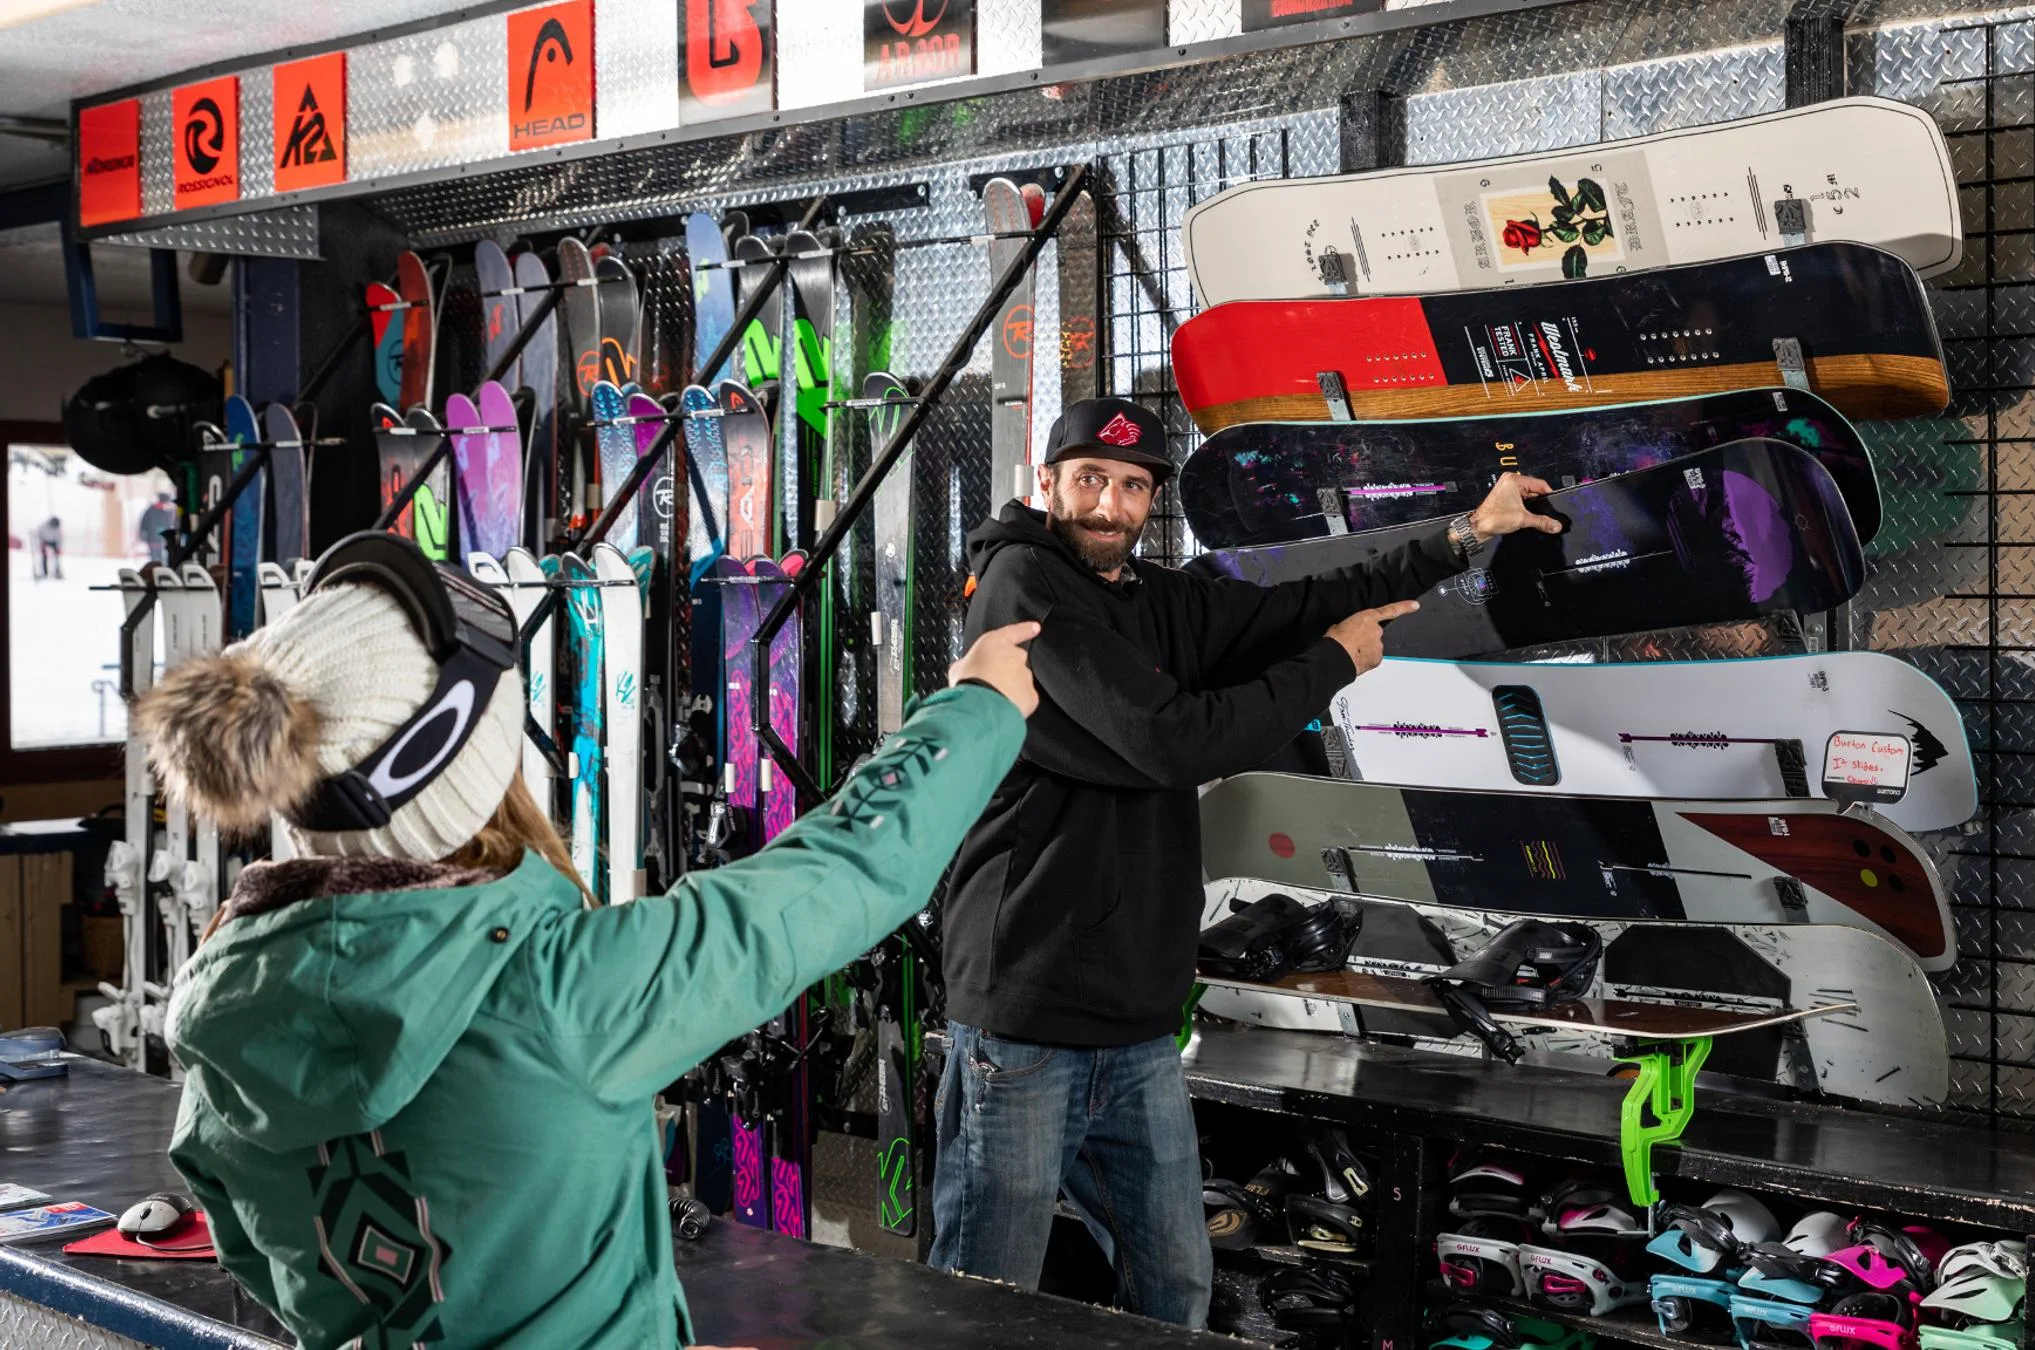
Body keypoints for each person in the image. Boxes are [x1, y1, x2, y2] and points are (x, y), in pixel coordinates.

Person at [137, 531, 1041, 1350]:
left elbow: (261, 1265)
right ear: (467, 758)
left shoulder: (222, 1014)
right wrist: (976, 707)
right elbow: (838, 877)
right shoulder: (562, 993)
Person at [931, 397, 1562, 1324]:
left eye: (1133, 486)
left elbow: (1300, 601)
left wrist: (1467, 533)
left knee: (1175, 1287)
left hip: (1136, 1022)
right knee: (982, 1297)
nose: (1109, 504)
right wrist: (1332, 667)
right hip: (1027, 1017)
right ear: (1050, 483)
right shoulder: (1025, 589)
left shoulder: (1151, 597)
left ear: (1152, 501)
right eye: (1090, 480)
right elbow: (1173, 740)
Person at [137, 491, 175, 565]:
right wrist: (143, 534)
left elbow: (172, 524)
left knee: (165, 561)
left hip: (166, 541)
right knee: (155, 561)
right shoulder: (151, 510)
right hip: (153, 540)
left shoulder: (169, 512)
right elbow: (144, 524)